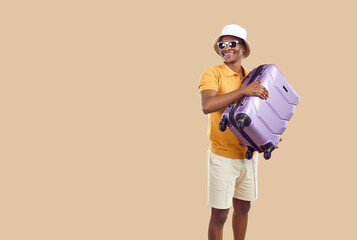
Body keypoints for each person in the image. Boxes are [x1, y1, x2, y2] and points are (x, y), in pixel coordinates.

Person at [198, 24, 270, 240]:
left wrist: (270, 135)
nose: (226, 48)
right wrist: (243, 91)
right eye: (222, 45)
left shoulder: (253, 77)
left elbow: (262, 113)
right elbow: (208, 105)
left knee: (243, 209)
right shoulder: (213, 72)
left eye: (232, 44)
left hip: (248, 155)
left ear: (243, 48)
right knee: (220, 215)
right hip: (222, 156)